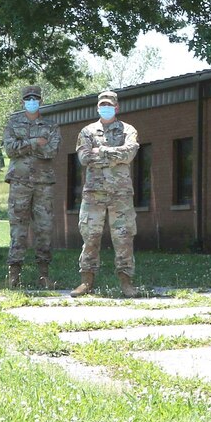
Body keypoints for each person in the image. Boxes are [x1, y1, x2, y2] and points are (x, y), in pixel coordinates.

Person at [70, 90, 140, 298]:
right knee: (90, 236)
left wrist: (100, 152)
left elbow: (129, 153)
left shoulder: (128, 130)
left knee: (123, 237)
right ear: (98, 107)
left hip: (121, 194)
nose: (106, 107)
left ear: (117, 107)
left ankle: (126, 283)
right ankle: (86, 282)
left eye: (109, 104)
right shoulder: (87, 131)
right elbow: (84, 157)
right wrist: (115, 154)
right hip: (94, 194)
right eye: (102, 104)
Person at [3, 85, 61, 289]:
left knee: (44, 228)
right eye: (28, 98)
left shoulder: (51, 126)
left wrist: (24, 145)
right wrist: (35, 141)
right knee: (18, 227)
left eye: (35, 98)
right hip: (19, 182)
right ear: (23, 101)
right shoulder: (13, 123)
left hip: (43, 183)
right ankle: (13, 274)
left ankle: (44, 274)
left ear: (40, 101)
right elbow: (10, 149)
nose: (32, 101)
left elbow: (52, 152)